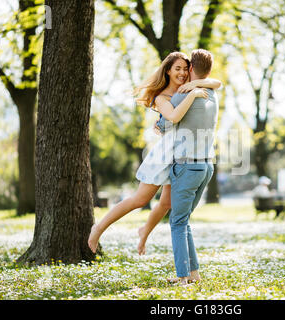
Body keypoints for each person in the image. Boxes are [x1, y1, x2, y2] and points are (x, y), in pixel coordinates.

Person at [87, 51, 221, 254]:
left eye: (186, 69)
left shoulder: (191, 87)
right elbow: (174, 117)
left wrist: (194, 86)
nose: (183, 73)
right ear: (167, 71)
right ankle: (98, 228)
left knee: (166, 203)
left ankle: (144, 232)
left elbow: (217, 82)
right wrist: (192, 93)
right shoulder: (162, 97)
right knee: (140, 199)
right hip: (165, 155)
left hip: (180, 156)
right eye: (177, 69)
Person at [164, 49, 219, 285]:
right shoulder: (213, 95)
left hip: (187, 167)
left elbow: (164, 123)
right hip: (206, 166)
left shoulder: (183, 95)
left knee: (176, 222)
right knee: (184, 220)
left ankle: (182, 277)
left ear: (191, 69)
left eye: (186, 69)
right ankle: (194, 274)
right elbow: (217, 83)